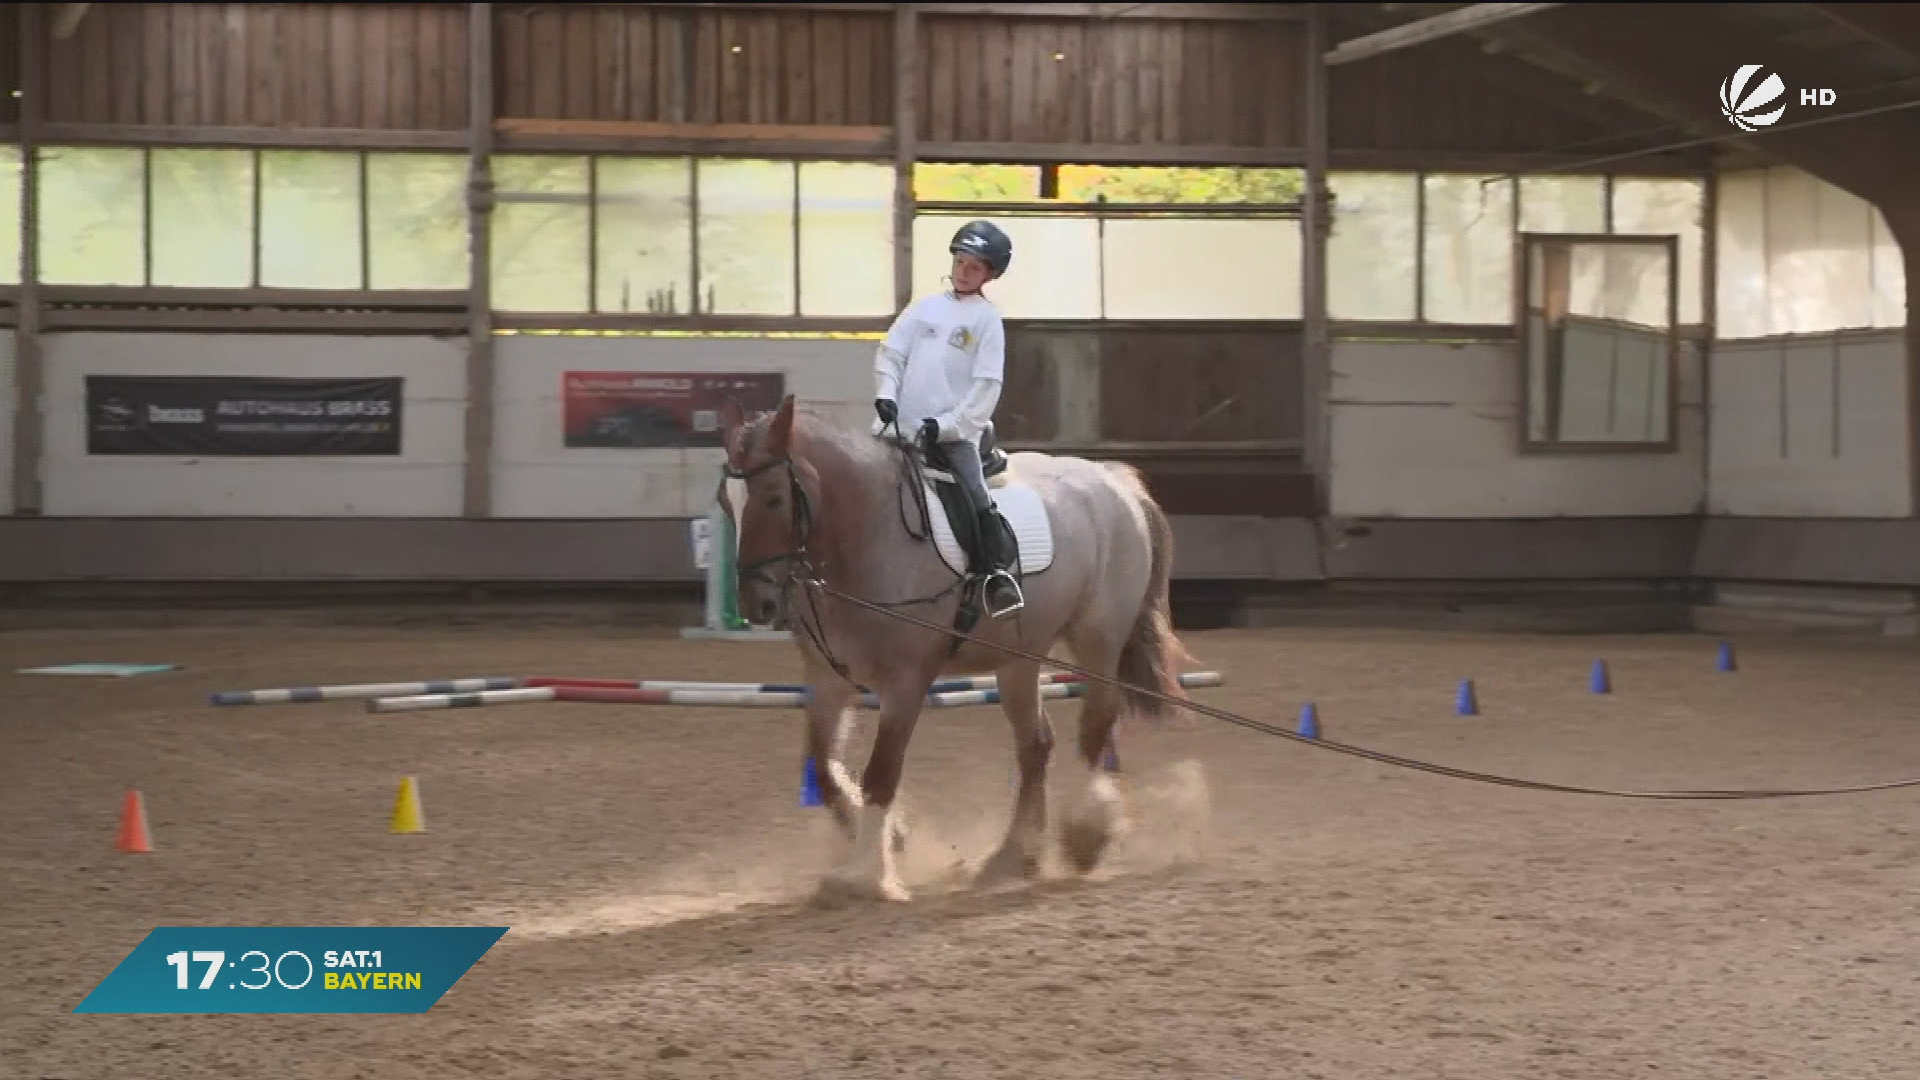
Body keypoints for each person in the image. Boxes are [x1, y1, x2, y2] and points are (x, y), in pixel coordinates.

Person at [873, 219, 1024, 618]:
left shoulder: (987, 321)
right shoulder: (924, 308)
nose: (963, 271)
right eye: (960, 261)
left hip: (951, 436)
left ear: (990, 274)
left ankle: (993, 575)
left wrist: (950, 425)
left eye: (974, 266)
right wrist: (886, 395)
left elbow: (987, 385)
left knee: (975, 492)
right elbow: (892, 353)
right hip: (900, 428)